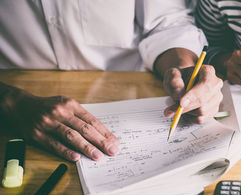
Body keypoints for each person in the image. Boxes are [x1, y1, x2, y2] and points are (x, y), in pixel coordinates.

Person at [0, 0, 223, 162]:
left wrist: (183, 69)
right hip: (12, 113)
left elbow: (167, 24)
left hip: (133, 94)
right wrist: (10, 102)